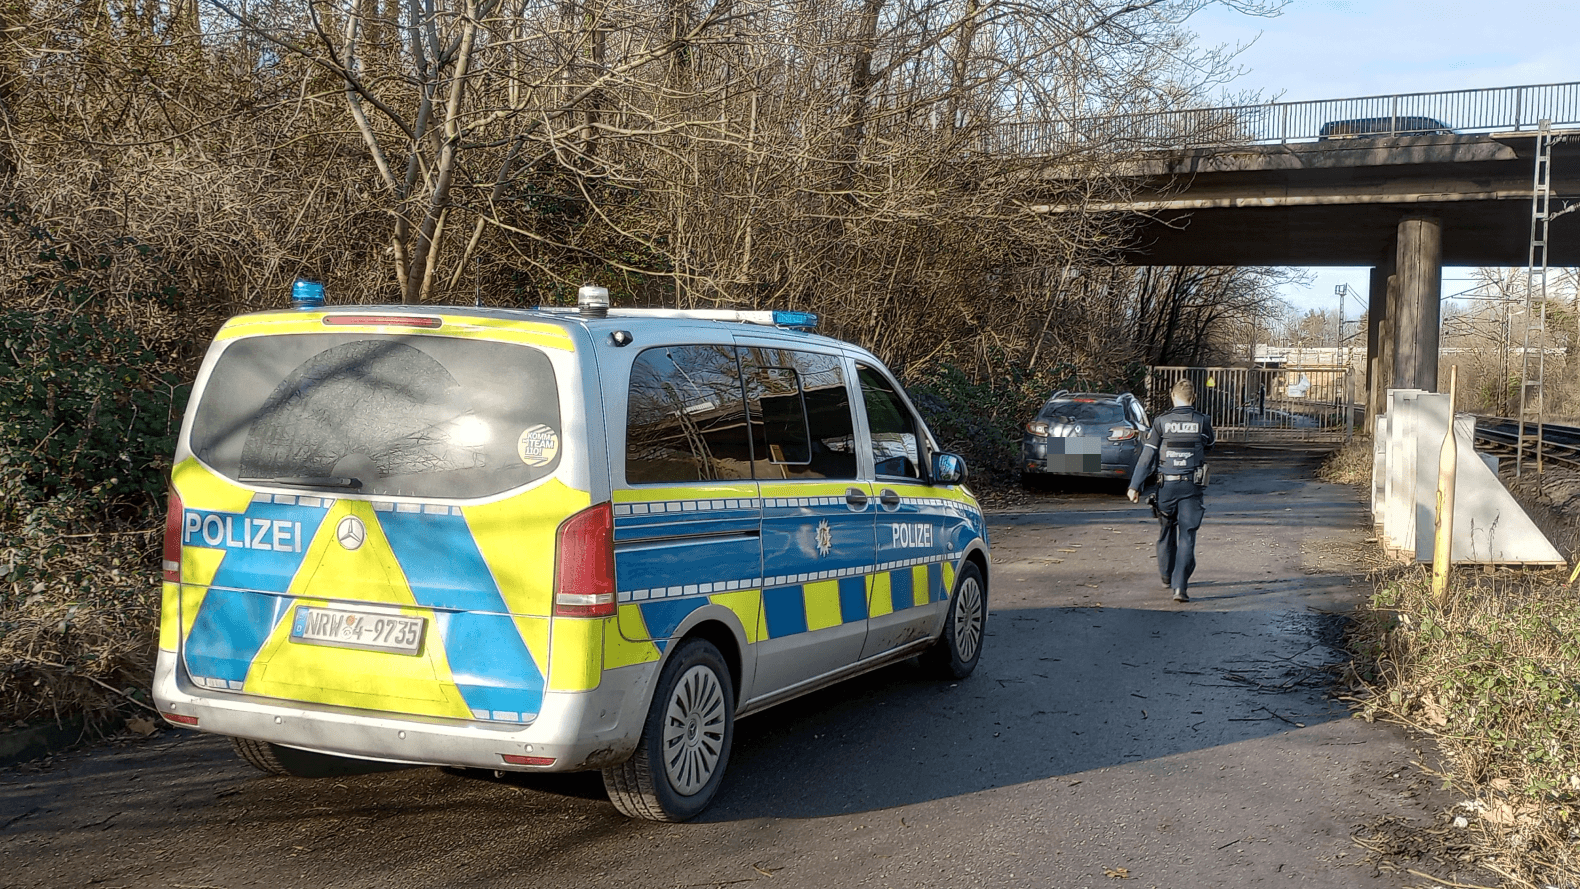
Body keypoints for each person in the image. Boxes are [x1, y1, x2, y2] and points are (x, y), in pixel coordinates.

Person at [1127, 379, 1216, 603]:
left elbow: (1147, 457)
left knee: (1166, 531)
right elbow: (1210, 444)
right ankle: (1180, 588)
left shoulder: (1161, 422)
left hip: (1166, 486)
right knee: (1187, 536)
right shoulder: (1202, 421)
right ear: (1193, 398)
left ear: (1172, 396)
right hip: (1191, 487)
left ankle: (1167, 575)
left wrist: (1134, 485)